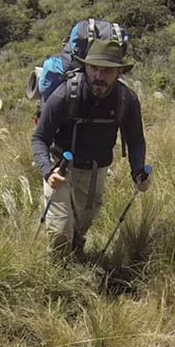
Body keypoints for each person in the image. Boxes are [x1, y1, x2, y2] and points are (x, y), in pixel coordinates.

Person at [31, 38, 150, 261]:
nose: (98, 76)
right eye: (94, 68)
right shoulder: (65, 95)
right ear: (85, 66)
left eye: (106, 71)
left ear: (119, 73)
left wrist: (138, 171)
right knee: (60, 231)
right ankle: (56, 277)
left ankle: (76, 258)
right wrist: (48, 171)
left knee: (80, 227)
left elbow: (136, 140)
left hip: (96, 172)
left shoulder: (127, 100)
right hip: (60, 169)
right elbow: (39, 138)